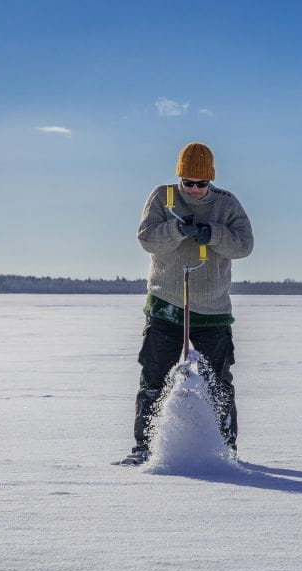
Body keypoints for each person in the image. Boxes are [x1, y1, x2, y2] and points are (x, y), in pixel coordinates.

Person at [124, 142, 254, 464]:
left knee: (219, 385)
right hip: (166, 305)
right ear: (179, 177)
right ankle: (144, 450)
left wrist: (213, 234)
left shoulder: (226, 204)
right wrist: (176, 229)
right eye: (188, 183)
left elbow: (244, 245)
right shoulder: (162, 197)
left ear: (210, 180)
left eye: (201, 184)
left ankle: (225, 452)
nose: (194, 190)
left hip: (212, 311)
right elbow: (146, 238)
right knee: (153, 380)